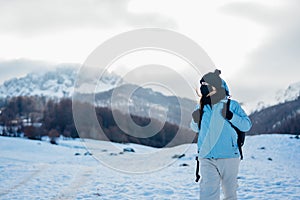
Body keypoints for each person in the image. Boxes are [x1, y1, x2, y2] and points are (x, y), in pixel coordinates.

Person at [190, 70, 252, 200]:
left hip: (229, 156)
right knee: (208, 195)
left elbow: (246, 125)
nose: (203, 88)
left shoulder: (231, 105)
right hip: (206, 157)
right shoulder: (201, 107)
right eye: (202, 85)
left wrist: (231, 116)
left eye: (206, 84)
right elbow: (195, 128)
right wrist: (196, 120)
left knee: (230, 194)